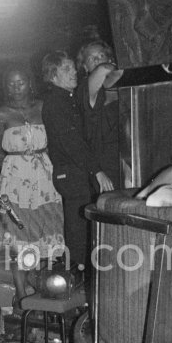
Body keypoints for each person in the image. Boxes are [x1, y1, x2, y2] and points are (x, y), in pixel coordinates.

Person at [0, 65, 64, 306]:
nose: (16, 87)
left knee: (45, 234)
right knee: (19, 237)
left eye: (20, 82)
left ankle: (44, 288)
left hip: (45, 179)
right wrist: (15, 171)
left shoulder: (43, 108)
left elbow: (56, 141)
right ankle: (22, 295)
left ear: (29, 83)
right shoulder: (1, 114)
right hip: (15, 184)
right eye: (11, 83)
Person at [41, 51, 114, 270]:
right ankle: (77, 274)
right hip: (71, 174)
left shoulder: (67, 99)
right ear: (53, 76)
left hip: (76, 172)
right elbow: (71, 142)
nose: (74, 72)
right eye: (66, 69)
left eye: (73, 67)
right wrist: (96, 171)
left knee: (81, 226)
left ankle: (79, 273)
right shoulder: (56, 103)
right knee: (78, 229)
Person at [76, 40, 124, 189]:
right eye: (91, 58)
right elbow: (103, 69)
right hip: (104, 161)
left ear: (109, 57)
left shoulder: (122, 85)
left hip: (128, 155)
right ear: (85, 66)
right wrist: (117, 66)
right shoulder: (86, 87)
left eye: (101, 55)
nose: (97, 60)